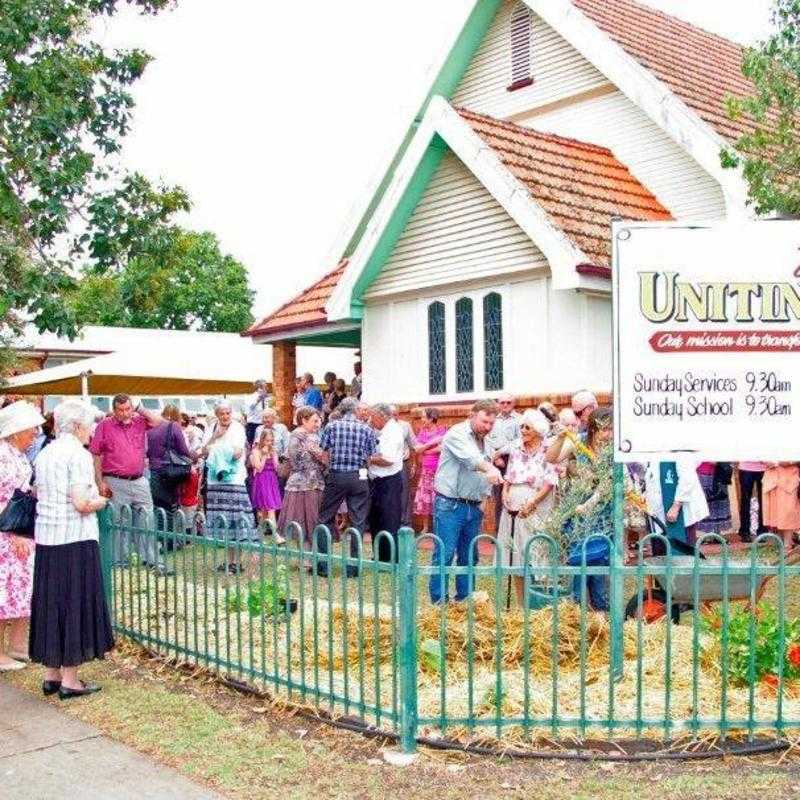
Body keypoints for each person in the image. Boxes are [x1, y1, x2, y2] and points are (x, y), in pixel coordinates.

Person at [29, 400, 114, 699]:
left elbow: (39, 491)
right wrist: (100, 503)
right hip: (75, 539)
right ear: (78, 426)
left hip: (48, 538)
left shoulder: (46, 452)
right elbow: (80, 503)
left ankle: (51, 675)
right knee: (74, 603)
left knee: (52, 604)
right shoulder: (78, 455)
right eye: (90, 424)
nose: (92, 430)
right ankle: (70, 680)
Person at [429, 400, 503, 604]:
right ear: (472, 415)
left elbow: (485, 474)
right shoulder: (456, 433)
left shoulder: (486, 441)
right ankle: (439, 605)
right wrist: (491, 469)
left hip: (473, 506)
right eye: (484, 421)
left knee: (469, 556)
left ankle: (464, 601)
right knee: (444, 554)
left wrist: (483, 501)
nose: (487, 427)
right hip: (450, 504)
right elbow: (472, 460)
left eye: (491, 423)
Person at [89, 394, 170, 576]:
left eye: (127, 409)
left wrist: (139, 408)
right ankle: (120, 562)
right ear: (114, 409)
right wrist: (100, 481)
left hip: (139, 479)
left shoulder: (139, 421)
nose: (125, 413)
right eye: (120, 410)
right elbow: (96, 455)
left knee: (147, 520)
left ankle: (152, 560)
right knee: (119, 522)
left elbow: (160, 422)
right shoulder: (105, 426)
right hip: (115, 480)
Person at [497, 410, 559, 607]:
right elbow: (509, 475)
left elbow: (550, 481)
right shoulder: (516, 447)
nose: (522, 430)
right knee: (515, 555)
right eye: (522, 426)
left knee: (536, 553)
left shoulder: (548, 448)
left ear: (539, 431)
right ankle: (521, 605)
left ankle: (540, 604)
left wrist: (532, 502)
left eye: (527, 427)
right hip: (513, 506)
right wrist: (504, 493)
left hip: (537, 503)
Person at [0, 401, 44, 671]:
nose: (35, 434)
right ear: (15, 431)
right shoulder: (3, 457)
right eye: (31, 430)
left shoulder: (17, 454)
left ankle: (17, 644)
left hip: (21, 530)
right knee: (4, 592)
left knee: (22, 589)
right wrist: (12, 530)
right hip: (7, 533)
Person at [561, 406, 614, 611]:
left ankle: (601, 613)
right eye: (605, 429)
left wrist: (589, 504)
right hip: (577, 515)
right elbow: (554, 457)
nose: (608, 434)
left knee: (599, 567)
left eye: (611, 429)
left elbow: (606, 485)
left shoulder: (612, 450)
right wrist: (561, 437)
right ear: (593, 428)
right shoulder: (579, 442)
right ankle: (575, 611)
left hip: (602, 515)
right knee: (577, 563)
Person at [317, 397, 377, 577]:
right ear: (355, 410)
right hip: (358, 475)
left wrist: (328, 470)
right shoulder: (366, 429)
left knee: (325, 518)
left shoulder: (331, 426)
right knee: (358, 521)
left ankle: (323, 566)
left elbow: (324, 452)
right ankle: (353, 568)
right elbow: (370, 456)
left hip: (337, 474)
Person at [200, 401, 259, 574]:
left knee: (238, 521)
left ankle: (237, 562)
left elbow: (237, 452)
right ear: (217, 414)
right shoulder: (211, 428)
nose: (225, 416)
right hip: (215, 481)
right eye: (222, 414)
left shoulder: (238, 428)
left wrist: (216, 451)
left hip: (234, 480)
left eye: (228, 413)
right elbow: (203, 450)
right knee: (224, 523)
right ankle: (229, 560)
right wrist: (215, 437)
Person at [277, 407, 328, 546]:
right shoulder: (298, 435)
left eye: (319, 421)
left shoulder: (311, 436)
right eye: (315, 421)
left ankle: (310, 557)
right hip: (303, 484)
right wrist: (321, 456)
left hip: (312, 482)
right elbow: (299, 461)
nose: (318, 424)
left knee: (308, 522)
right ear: (304, 420)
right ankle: (307, 558)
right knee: (305, 522)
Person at [146, 403, 194, 539]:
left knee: (158, 508)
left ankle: (161, 538)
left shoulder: (151, 429)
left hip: (153, 472)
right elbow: (184, 450)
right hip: (169, 472)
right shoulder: (173, 426)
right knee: (170, 507)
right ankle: (170, 541)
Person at [645, 458, 709, 555]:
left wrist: (676, 506)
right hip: (658, 511)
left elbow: (687, 478)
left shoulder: (679, 447)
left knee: (682, 553)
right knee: (661, 554)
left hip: (679, 511)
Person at [367, 404, 405, 562]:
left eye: (373, 417)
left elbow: (388, 460)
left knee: (388, 519)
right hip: (378, 480)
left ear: (382, 416)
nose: (371, 421)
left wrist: (366, 458)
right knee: (376, 518)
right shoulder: (384, 430)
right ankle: (380, 555)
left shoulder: (393, 431)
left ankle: (390, 557)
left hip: (388, 481)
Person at [486, 393, 521, 531]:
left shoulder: (519, 419)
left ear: (513, 404)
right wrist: (496, 457)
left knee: (513, 494)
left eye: (508, 402)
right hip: (496, 460)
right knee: (498, 497)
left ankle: (512, 529)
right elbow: (487, 439)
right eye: (502, 403)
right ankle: (499, 531)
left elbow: (519, 441)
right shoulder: (493, 420)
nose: (505, 405)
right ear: (498, 404)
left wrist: (501, 452)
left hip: (514, 460)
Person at [412, 408, 447, 534]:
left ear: (431, 419)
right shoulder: (422, 432)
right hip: (426, 470)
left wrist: (427, 450)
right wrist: (431, 445)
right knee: (425, 498)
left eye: (423, 417)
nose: (422, 419)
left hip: (440, 470)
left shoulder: (442, 430)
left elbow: (443, 447)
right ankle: (426, 527)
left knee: (439, 497)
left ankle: (438, 526)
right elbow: (417, 449)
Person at [249, 428, 283, 539]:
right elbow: (258, 468)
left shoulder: (273, 451)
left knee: (264, 510)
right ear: (262, 440)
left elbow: (277, 468)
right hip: (262, 480)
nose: (269, 443)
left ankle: (258, 534)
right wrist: (263, 455)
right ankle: (276, 535)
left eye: (271, 441)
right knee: (271, 508)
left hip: (272, 480)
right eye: (267, 440)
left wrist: (274, 456)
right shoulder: (256, 451)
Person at [390, 405, 417, 528]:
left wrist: (414, 463)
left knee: (404, 494)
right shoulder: (383, 427)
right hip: (388, 464)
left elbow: (413, 445)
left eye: (396, 414)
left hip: (402, 463)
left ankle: (405, 523)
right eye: (391, 414)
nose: (394, 417)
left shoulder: (405, 425)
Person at [763, 462, 800, 548]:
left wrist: (778, 462)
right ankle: (780, 544)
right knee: (775, 512)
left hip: (789, 480)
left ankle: (787, 544)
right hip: (771, 479)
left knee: (788, 512)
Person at [695, 462, 732, 536]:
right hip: (704, 473)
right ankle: (707, 534)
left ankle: (717, 534)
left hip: (719, 475)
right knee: (707, 503)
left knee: (719, 503)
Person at [738, 461, 767, 542]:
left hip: (763, 468)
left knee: (764, 501)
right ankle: (745, 532)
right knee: (745, 501)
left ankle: (762, 531)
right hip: (746, 467)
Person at [244, 380, 271, 446]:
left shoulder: (266, 398)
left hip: (264, 424)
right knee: (252, 444)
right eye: (265, 387)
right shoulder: (250, 397)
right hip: (253, 425)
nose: (267, 388)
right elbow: (250, 407)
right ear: (259, 388)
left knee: (263, 443)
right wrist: (258, 399)